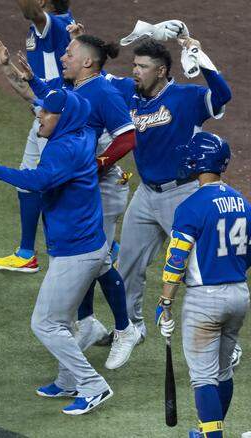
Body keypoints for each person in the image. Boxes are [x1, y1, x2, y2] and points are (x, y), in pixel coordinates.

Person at [0, 89, 113, 415]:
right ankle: (67, 381)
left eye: (47, 113)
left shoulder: (64, 148)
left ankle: (93, 386)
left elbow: (37, 181)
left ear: (64, 118)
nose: (39, 117)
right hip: (80, 246)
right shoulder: (79, 134)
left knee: (45, 324)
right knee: (60, 320)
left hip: (77, 252)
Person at [13, 34, 139, 368]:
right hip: (80, 185)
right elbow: (54, 102)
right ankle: (87, 323)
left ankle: (125, 329)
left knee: (97, 261)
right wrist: (31, 79)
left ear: (87, 61)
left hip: (103, 186)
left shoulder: (104, 92)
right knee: (83, 259)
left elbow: (127, 137)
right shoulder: (77, 88)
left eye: (69, 53)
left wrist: (98, 165)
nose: (63, 57)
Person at [108, 36, 232, 342]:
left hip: (184, 194)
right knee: (127, 265)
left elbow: (223, 94)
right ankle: (132, 328)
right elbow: (95, 79)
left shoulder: (187, 97)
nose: (135, 71)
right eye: (134, 65)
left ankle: (220, 339)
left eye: (143, 67)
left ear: (161, 71)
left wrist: (200, 58)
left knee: (197, 273)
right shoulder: (130, 93)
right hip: (146, 194)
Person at [155, 132, 248, 438]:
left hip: (204, 301)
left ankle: (211, 435)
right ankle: (209, 431)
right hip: (239, 294)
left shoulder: (191, 206)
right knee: (222, 372)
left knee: (203, 378)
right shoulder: (243, 203)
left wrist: (165, 303)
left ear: (198, 162)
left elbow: (175, 261)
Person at [0, 0, 75, 273]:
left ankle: (106, 249)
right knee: (27, 183)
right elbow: (31, 91)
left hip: (58, 123)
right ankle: (26, 252)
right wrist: (5, 66)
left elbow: (32, 11)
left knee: (61, 190)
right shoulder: (40, 31)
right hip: (43, 118)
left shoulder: (54, 25)